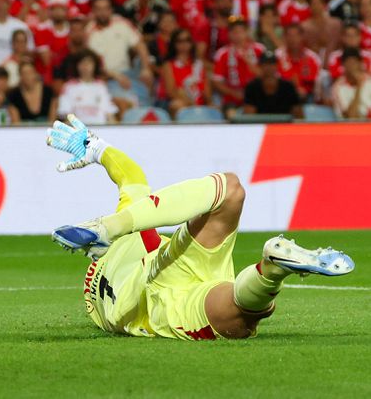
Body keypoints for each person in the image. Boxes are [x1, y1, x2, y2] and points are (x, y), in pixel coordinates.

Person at [46, 115, 354, 340]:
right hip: (170, 261)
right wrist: (96, 147)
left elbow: (117, 322)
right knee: (231, 190)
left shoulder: (96, 307)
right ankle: (108, 226)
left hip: (159, 303)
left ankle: (271, 270)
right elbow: (131, 176)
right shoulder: (127, 234)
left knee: (240, 319)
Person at [212, 18, 265, 109]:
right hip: (232, 99)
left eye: (240, 32)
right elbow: (217, 81)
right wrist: (233, 93)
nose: (238, 35)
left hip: (258, 96)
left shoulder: (259, 49)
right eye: (234, 32)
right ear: (229, 34)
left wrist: (249, 63)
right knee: (230, 112)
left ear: (247, 32)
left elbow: (267, 75)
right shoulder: (222, 53)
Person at [57, 48, 118, 124]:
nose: (85, 66)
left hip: (100, 128)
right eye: (82, 63)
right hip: (78, 129)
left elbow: (109, 114)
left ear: (95, 65)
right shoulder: (69, 87)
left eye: (89, 62)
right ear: (76, 65)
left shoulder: (101, 86)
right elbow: (66, 115)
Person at [160, 28, 210, 118]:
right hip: (180, 102)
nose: (184, 44)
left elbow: (207, 93)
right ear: (174, 44)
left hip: (199, 104)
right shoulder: (168, 65)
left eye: (187, 40)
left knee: (215, 109)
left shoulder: (199, 64)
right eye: (180, 41)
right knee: (177, 105)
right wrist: (190, 103)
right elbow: (171, 92)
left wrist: (210, 104)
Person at [331, 48, 371, 119]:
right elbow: (350, 117)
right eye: (349, 63)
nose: (352, 67)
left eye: (354, 62)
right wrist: (359, 86)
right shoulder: (338, 87)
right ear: (343, 65)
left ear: (360, 63)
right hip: (355, 125)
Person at [243, 51, 301, 117]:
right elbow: (249, 116)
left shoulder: (288, 86)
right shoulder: (252, 87)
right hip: (260, 123)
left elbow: (298, 115)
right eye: (265, 64)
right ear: (260, 66)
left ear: (277, 66)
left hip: (283, 123)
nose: (269, 67)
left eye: (272, 64)